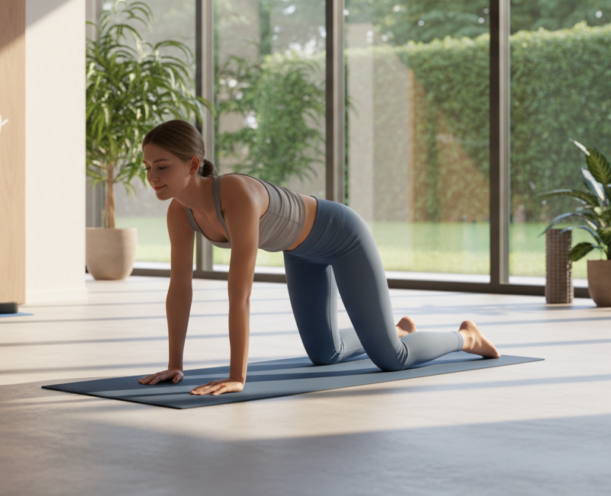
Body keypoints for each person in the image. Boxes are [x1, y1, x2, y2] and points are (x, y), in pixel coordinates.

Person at [136, 120, 500, 397]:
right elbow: (180, 290)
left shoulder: (235, 193)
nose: (152, 176)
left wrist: (237, 376)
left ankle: (465, 337)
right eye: (148, 166)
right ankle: (399, 329)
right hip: (300, 253)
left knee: (393, 359)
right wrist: (174, 366)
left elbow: (240, 294)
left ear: (192, 164)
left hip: (342, 236)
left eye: (162, 166)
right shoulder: (179, 213)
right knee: (325, 354)